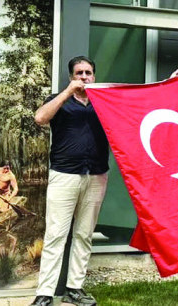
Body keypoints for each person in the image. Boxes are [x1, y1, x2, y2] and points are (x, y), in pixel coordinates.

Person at [29, 56, 109, 306]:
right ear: (71, 77)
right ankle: (45, 294)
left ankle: (75, 288)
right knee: (55, 235)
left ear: (94, 76)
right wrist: (67, 92)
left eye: (88, 72)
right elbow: (40, 118)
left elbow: (137, 105)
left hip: (96, 175)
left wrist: (167, 85)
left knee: (84, 235)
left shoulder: (104, 102)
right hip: (64, 175)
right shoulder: (58, 100)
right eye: (79, 73)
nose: (84, 77)